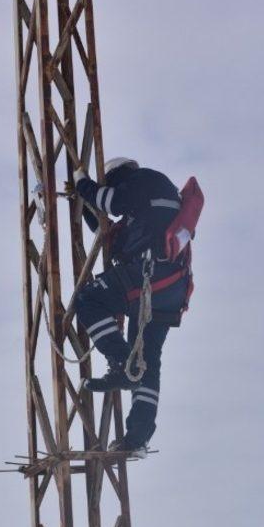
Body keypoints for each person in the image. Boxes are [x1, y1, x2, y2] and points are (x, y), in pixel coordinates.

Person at [70, 158, 199, 453]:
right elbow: (105, 226)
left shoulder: (144, 180)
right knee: (148, 361)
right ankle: (137, 437)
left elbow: (110, 202)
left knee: (89, 300)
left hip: (149, 278)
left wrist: (82, 184)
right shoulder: (154, 204)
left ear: (117, 175)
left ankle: (121, 363)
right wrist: (84, 199)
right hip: (169, 290)